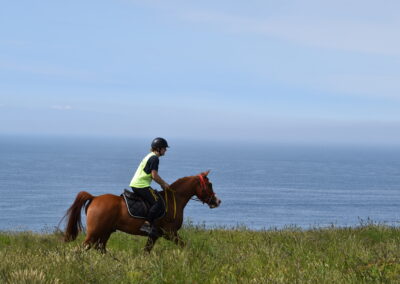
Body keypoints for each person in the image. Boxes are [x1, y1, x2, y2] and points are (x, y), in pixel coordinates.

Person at [130, 137, 170, 235]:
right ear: (158, 148)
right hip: (141, 185)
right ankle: (146, 224)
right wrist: (164, 184)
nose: (166, 150)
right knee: (158, 203)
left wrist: (161, 183)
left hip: (137, 184)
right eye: (164, 148)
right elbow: (154, 176)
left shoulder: (150, 156)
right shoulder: (154, 158)